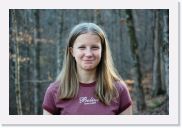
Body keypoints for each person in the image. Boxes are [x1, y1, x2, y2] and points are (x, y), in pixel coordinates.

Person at [42, 22, 132, 115]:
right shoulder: (54, 91)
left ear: (103, 51)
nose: (88, 54)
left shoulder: (118, 90)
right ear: (72, 51)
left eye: (94, 47)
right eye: (82, 47)